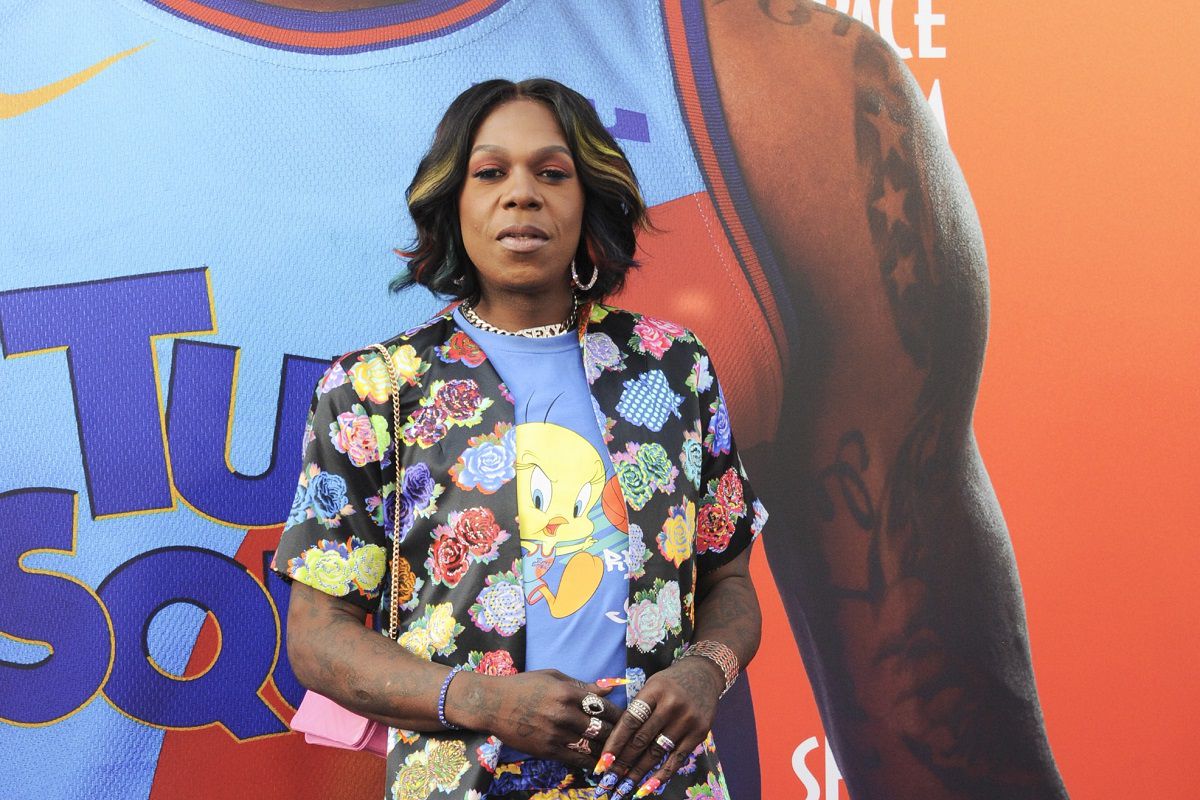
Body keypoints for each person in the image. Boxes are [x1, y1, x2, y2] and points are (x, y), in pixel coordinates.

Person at [272, 78, 767, 800]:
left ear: (588, 198)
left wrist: (706, 670)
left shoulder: (672, 367)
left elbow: (729, 579)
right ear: (454, 201)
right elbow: (318, 637)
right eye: (490, 172)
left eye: (553, 173)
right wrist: (484, 701)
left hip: (660, 783)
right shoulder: (376, 388)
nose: (522, 194)